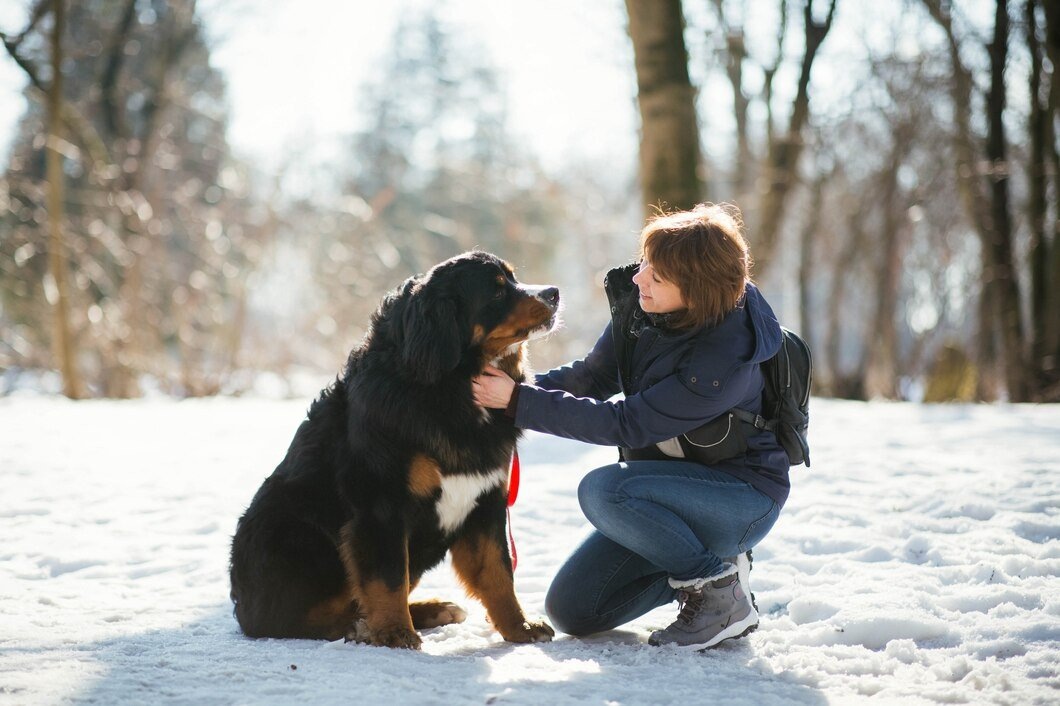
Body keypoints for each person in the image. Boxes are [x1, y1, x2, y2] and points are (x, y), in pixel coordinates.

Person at [472, 203, 789, 650]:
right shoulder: (644, 309)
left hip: (738, 498)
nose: (639, 278)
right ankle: (716, 564)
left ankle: (718, 592)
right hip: (667, 495)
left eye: (656, 276)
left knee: (604, 490)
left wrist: (518, 401)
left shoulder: (724, 361)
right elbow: (595, 377)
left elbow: (628, 424)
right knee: (574, 610)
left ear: (696, 292)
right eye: (645, 264)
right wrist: (509, 391)